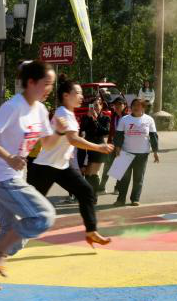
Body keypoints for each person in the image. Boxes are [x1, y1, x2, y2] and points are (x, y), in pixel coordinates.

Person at [0, 61, 67, 291]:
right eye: (46, 84)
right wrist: (8, 157)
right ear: (31, 82)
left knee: (9, 230)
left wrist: (59, 131)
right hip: (1, 175)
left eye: (51, 85)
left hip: (14, 175)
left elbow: (47, 144)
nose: (49, 89)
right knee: (43, 216)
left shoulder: (41, 110)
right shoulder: (13, 106)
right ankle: (0, 252)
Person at [28, 76, 114, 247]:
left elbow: (70, 141)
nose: (82, 96)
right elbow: (73, 139)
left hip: (61, 166)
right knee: (31, 208)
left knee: (86, 191)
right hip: (44, 168)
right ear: (66, 95)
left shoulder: (69, 114)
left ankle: (91, 231)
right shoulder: (62, 113)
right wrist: (99, 147)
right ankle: (8, 238)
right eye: (78, 93)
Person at [113, 99, 159, 206]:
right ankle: (120, 199)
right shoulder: (124, 119)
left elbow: (153, 136)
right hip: (125, 152)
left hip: (142, 154)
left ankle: (135, 199)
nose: (136, 107)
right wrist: (117, 149)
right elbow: (119, 135)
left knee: (138, 178)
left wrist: (155, 152)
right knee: (124, 178)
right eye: (133, 105)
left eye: (138, 105)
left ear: (143, 107)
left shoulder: (149, 120)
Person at [77, 98, 110, 199]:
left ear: (101, 106)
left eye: (97, 105)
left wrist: (95, 120)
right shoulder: (85, 117)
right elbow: (81, 131)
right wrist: (88, 117)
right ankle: (89, 194)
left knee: (93, 173)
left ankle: (93, 196)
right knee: (87, 174)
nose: (95, 107)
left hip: (99, 149)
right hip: (87, 148)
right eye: (93, 105)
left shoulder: (105, 118)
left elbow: (105, 131)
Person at [98, 96, 128, 194]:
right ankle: (102, 188)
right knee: (107, 166)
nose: (117, 106)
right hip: (112, 144)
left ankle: (117, 188)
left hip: (123, 146)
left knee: (120, 168)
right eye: (116, 104)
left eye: (120, 104)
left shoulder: (127, 117)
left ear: (124, 105)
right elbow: (111, 131)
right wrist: (109, 142)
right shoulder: (113, 116)